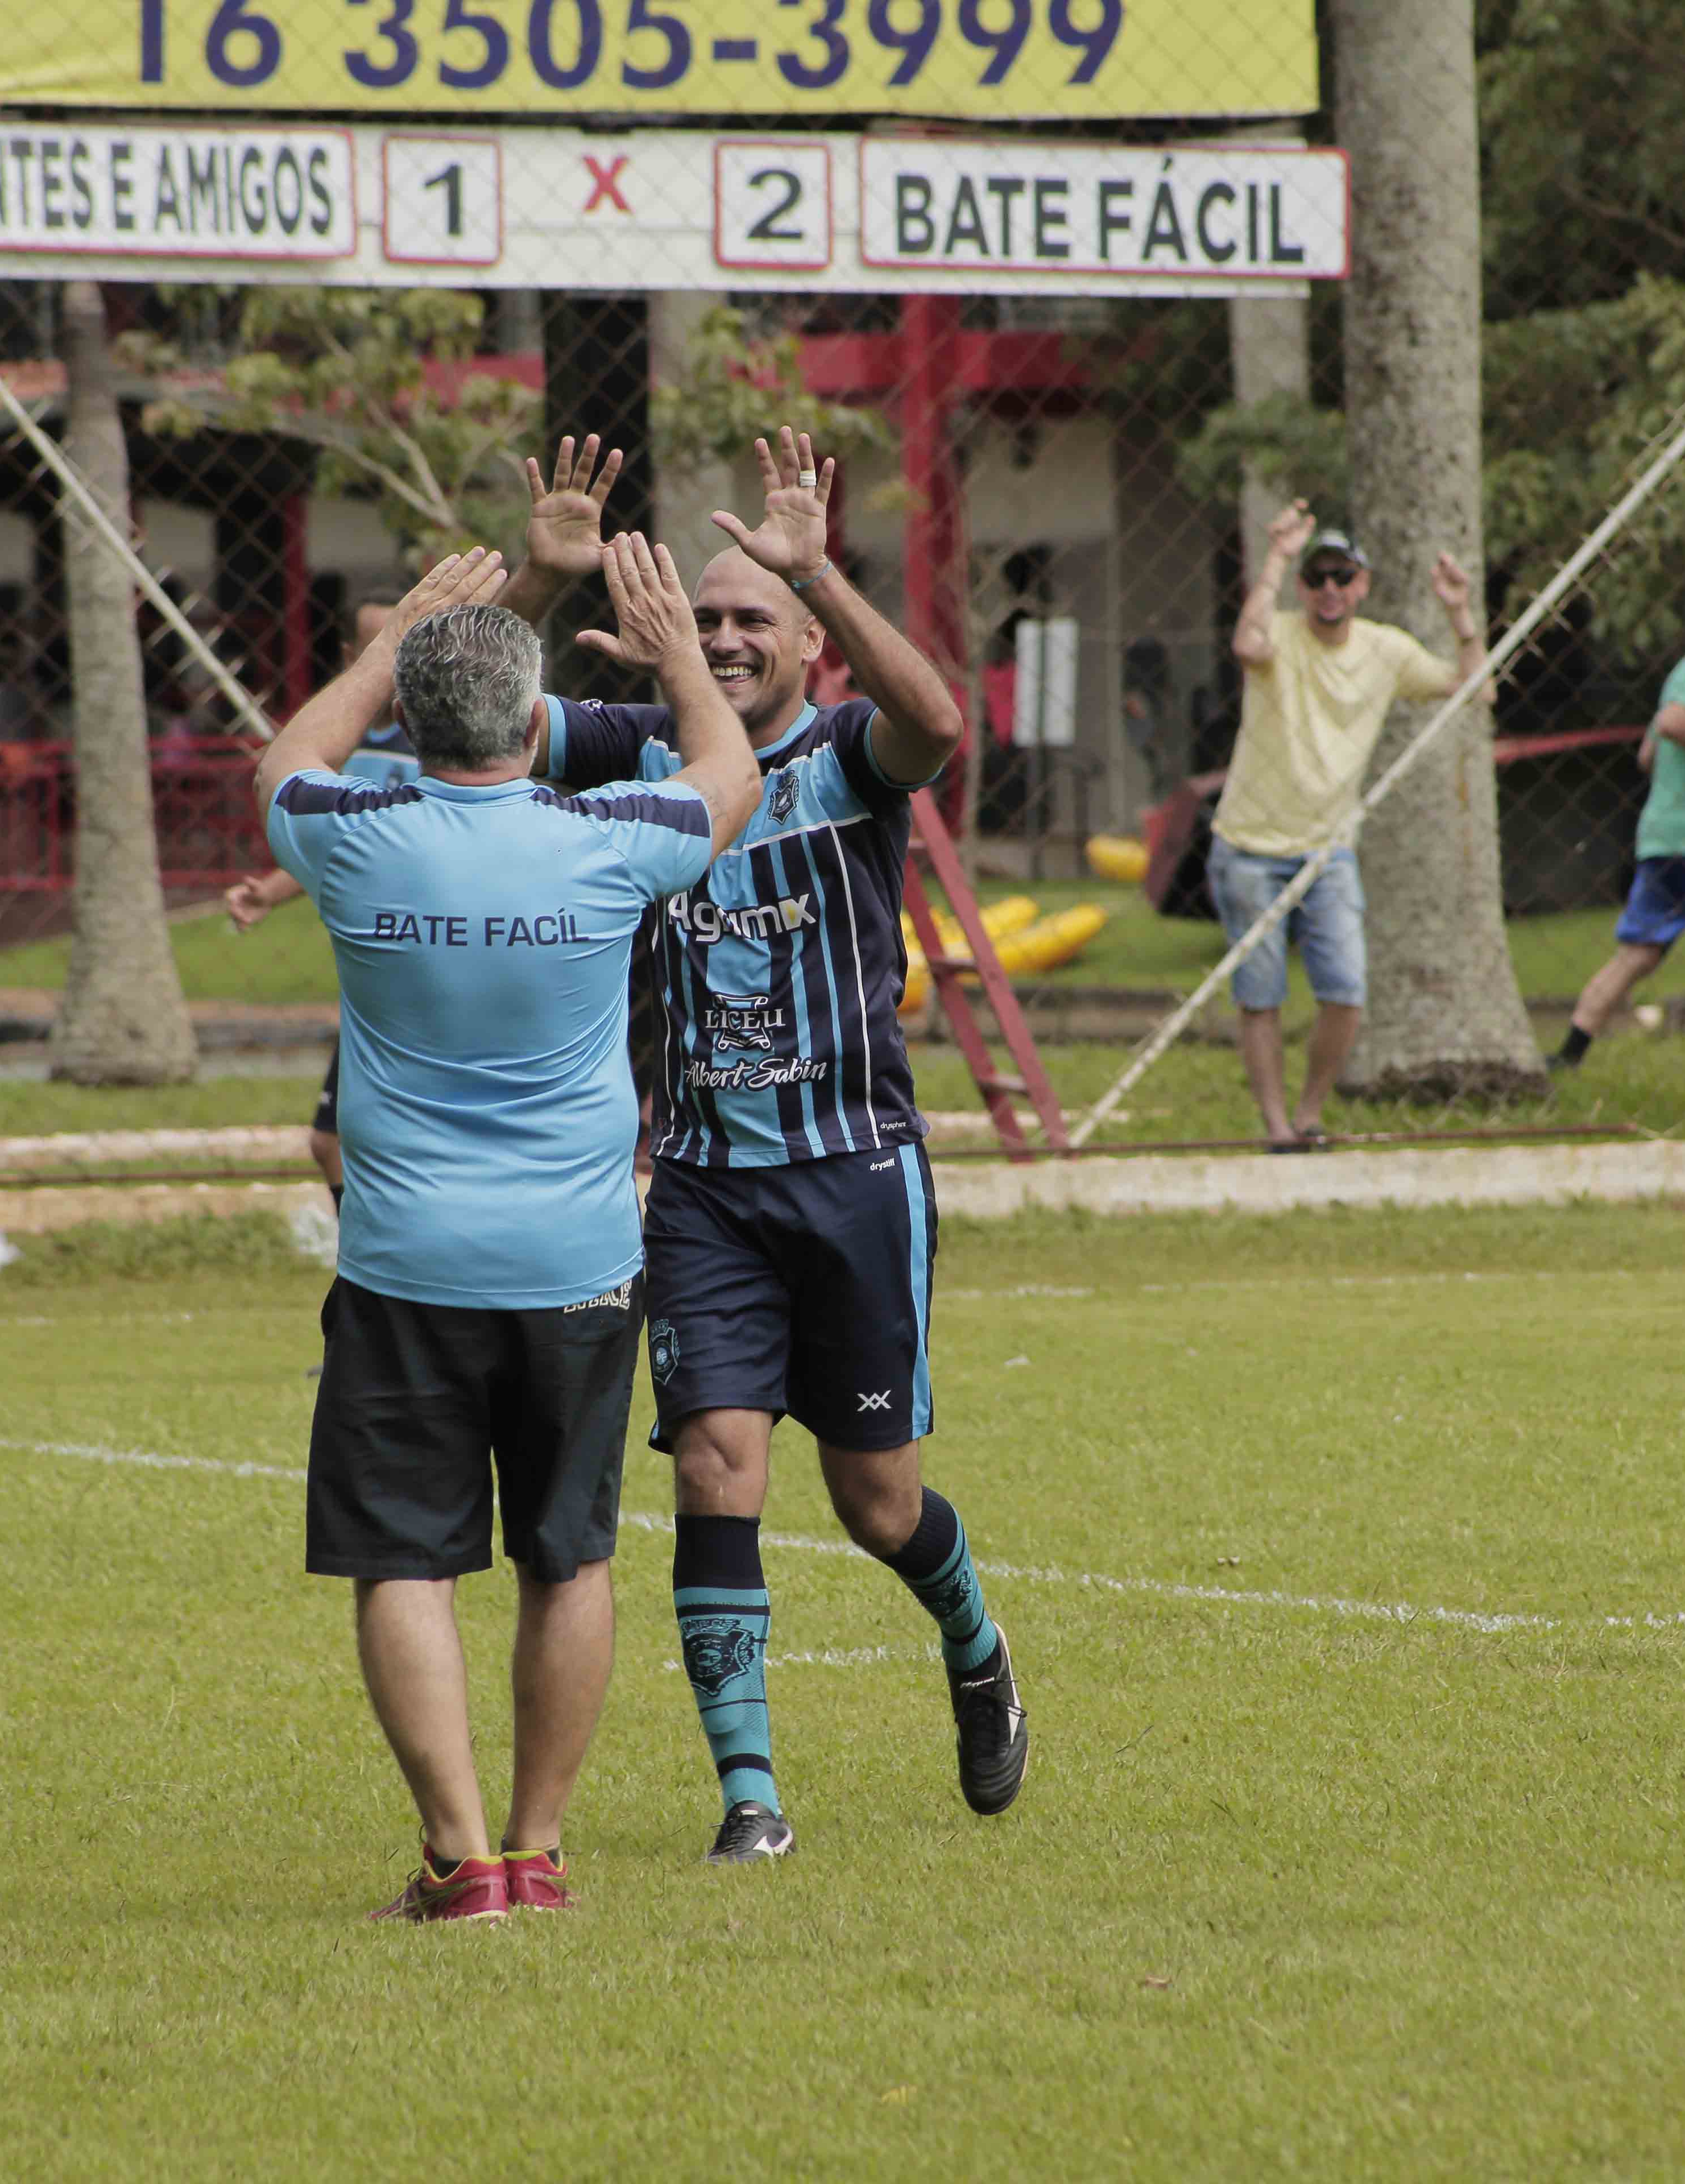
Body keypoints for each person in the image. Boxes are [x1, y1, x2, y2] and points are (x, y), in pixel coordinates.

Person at [534, 427, 1021, 1868]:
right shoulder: (640, 752)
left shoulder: (842, 758)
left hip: (855, 1174)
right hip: (700, 1190)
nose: (731, 636)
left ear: (811, 643)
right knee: (712, 1462)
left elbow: (936, 724)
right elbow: (491, 719)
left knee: (875, 1502)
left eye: (760, 617)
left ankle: (975, 1638)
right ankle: (749, 1792)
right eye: (713, 613)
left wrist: (825, 562)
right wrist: (541, 580)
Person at [256, 539, 758, 1924]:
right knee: (569, 1555)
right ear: (530, 714)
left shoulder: (347, 838)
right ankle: (535, 1853)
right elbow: (731, 778)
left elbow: (293, 748)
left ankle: (455, 1858)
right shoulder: (608, 842)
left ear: (411, 724)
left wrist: (396, 631)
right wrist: (670, 655)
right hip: (576, 1268)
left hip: (404, 1267)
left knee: (403, 1558)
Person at [1216, 502, 1487, 1149]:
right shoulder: (1279, 633)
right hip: (1249, 844)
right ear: (1304, 587)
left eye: (1343, 577)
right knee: (1261, 996)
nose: (1330, 590)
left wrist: (1459, 612)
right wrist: (1278, 556)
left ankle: (1310, 1115)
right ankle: (1278, 1129)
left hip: (1329, 849)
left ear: (1362, 584)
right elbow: (1246, 644)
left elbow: (1477, 689)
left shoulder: (1385, 649)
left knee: (1346, 990)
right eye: (1318, 578)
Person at [224, 591, 421, 1201]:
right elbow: (338, 843)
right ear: (352, 656)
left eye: (406, 641)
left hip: (429, 956)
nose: (394, 659)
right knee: (331, 1142)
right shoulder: (336, 749)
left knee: (372, 1139)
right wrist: (272, 893)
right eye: (379, 645)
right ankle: (373, 1258)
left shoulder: (446, 746)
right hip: (376, 967)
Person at [1547, 642, 1685, 1085]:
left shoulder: (1684, 666)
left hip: (1660, 832)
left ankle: (1570, 1054)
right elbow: (1672, 722)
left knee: (1637, 953)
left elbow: (1647, 755)